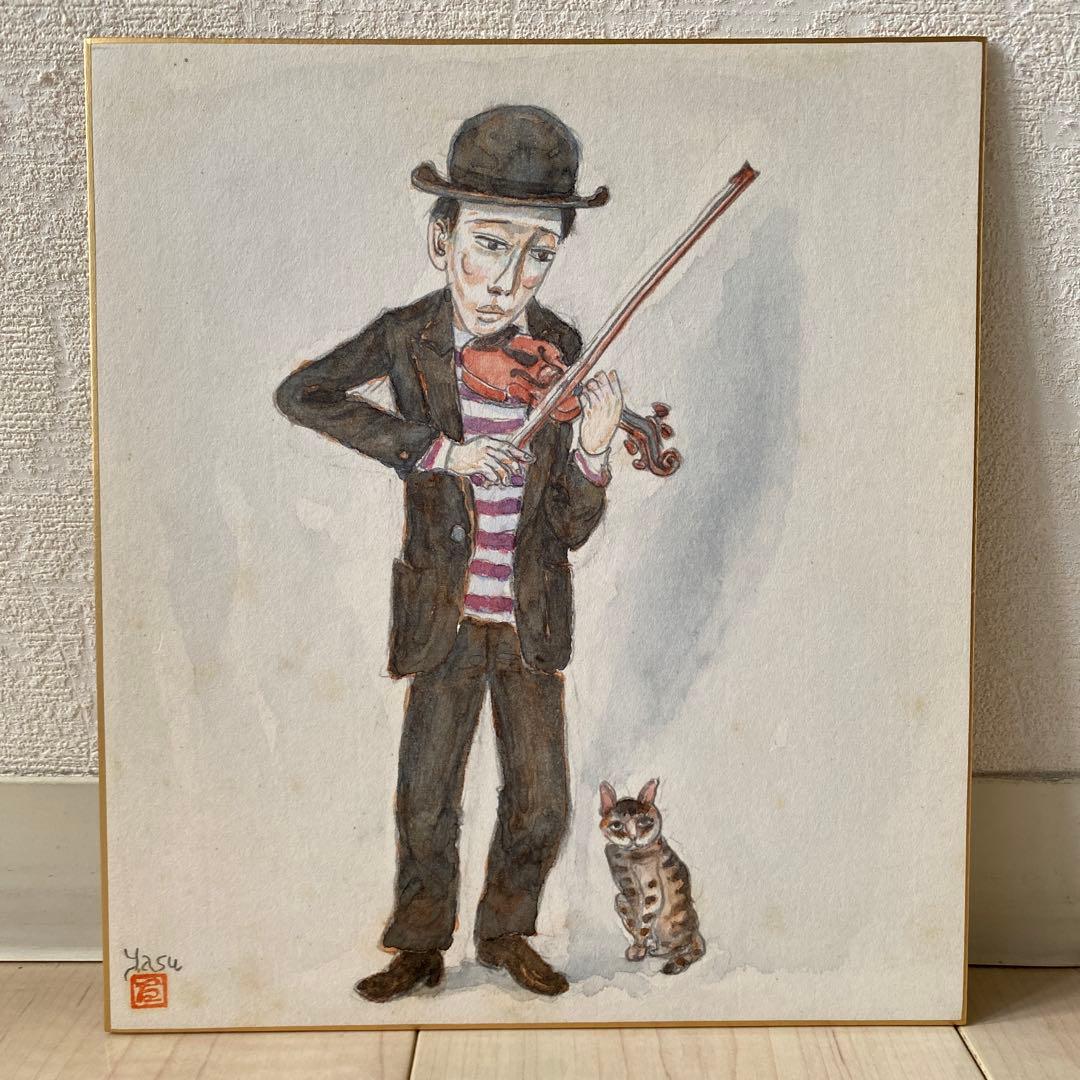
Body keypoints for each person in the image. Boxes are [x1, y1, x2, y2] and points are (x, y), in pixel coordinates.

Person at [274, 105, 622, 1001]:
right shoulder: (407, 337)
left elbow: (569, 525)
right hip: (445, 612)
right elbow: (304, 393)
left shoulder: (561, 352)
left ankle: (505, 933)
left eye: (539, 254)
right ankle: (420, 945)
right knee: (427, 794)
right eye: (490, 244)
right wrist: (434, 451)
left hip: (529, 615)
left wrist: (592, 454)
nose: (509, 281)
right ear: (442, 238)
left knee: (540, 799)